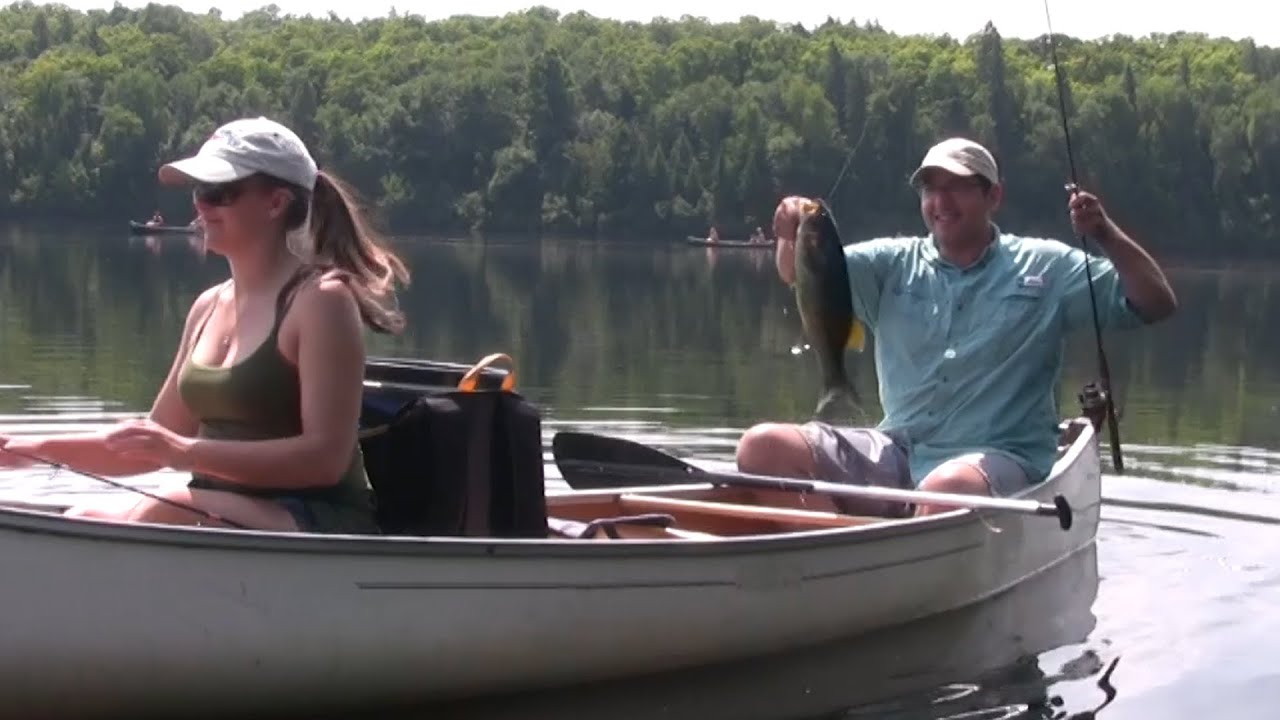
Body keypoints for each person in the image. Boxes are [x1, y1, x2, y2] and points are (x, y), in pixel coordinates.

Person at [0, 116, 411, 533]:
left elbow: (325, 460)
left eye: (219, 193)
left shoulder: (322, 301)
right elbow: (153, 444)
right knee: (88, 516)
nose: (200, 205)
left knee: (172, 503)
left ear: (276, 203)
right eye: (200, 191)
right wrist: (28, 448)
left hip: (316, 525)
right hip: (216, 516)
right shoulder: (206, 306)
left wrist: (187, 453)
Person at [738, 137, 1177, 517]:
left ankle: (878, 552)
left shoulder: (1047, 267)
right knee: (762, 447)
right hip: (899, 451)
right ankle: (831, 551)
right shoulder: (891, 263)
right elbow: (802, 274)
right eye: (930, 188)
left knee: (944, 491)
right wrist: (790, 230)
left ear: (994, 197)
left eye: (958, 187)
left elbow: (1156, 302)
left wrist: (1103, 233)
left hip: (1003, 457)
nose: (940, 201)